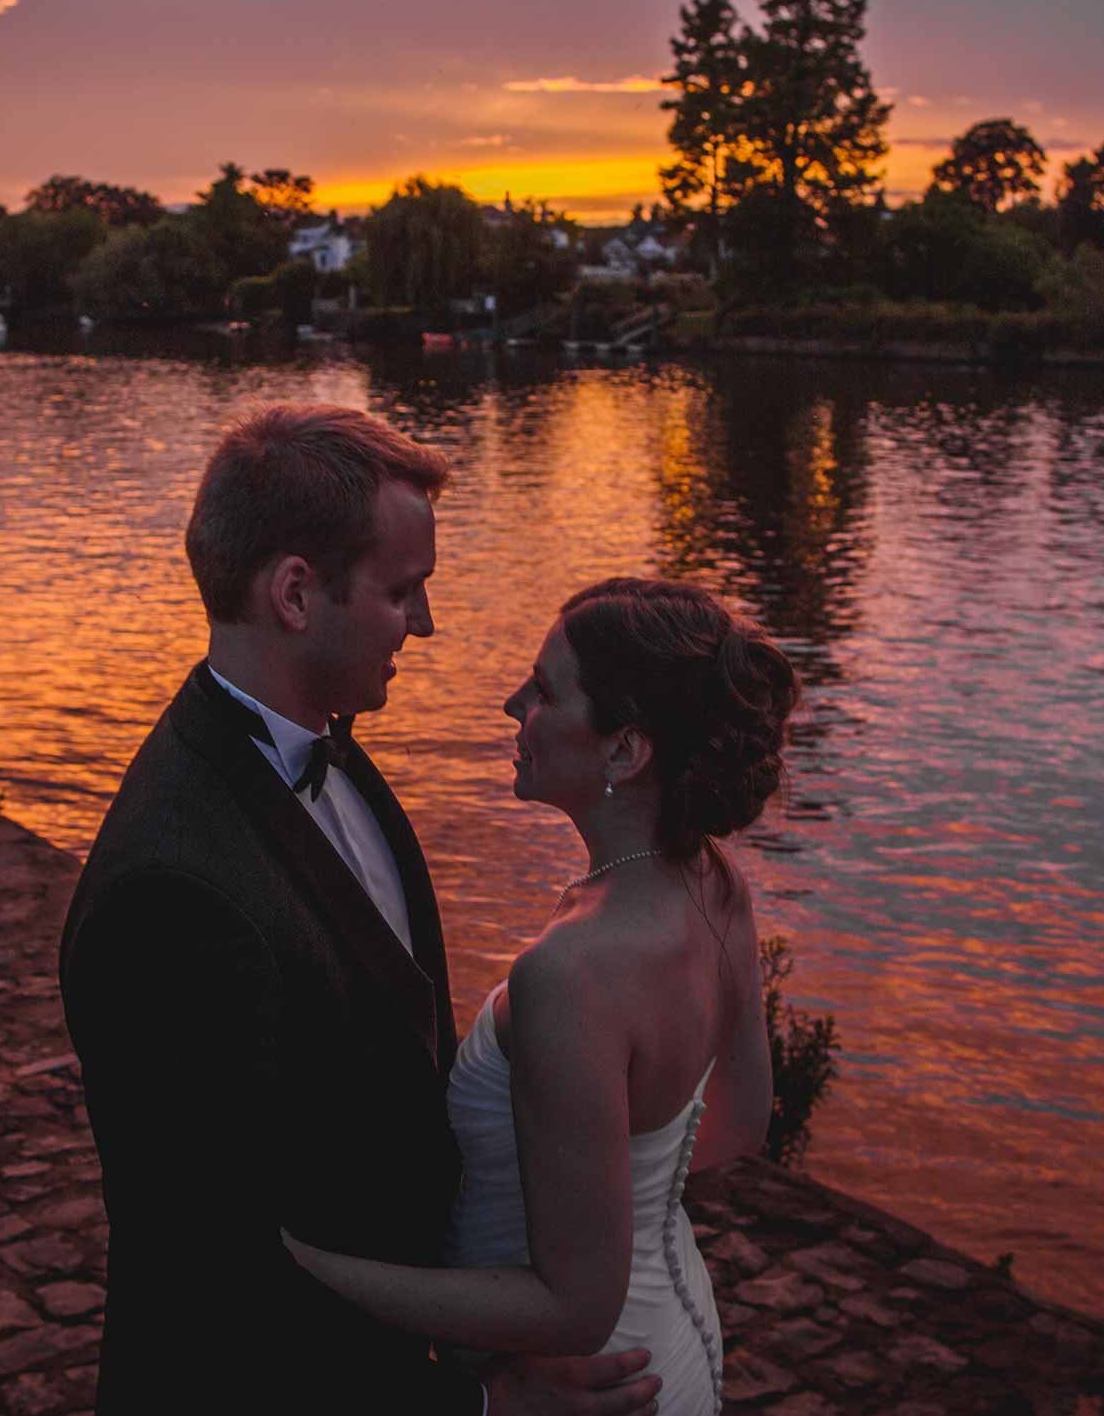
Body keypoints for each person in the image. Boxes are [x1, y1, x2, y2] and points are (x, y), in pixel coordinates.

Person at [57, 405, 663, 1416]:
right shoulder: (169, 896)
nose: (423, 626)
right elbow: (224, 1279)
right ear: (296, 592)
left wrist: (472, 1343)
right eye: (401, 592)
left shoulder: (329, 751)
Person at [284, 577, 795, 1416]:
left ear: (624, 752)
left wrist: (319, 1270)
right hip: (679, 1337)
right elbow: (742, 1123)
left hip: (585, 1382)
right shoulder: (715, 882)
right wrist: (604, 1186)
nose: (512, 702)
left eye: (546, 691)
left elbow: (575, 1305)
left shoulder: (571, 973)